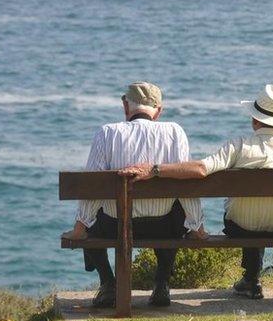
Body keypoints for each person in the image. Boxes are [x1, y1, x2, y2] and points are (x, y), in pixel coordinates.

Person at [119, 84, 273, 300]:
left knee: (244, 210)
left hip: (240, 227)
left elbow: (200, 169)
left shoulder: (239, 146)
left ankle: (251, 279)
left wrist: (155, 169)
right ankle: (258, 273)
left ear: (255, 120)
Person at [61, 82, 206, 308]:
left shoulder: (107, 133)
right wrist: (196, 226)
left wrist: (81, 227)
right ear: (158, 110)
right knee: (177, 209)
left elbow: (93, 189)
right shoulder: (175, 132)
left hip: (115, 225)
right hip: (162, 226)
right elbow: (185, 186)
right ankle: (161, 284)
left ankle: (109, 284)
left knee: (91, 219)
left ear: (125, 106)